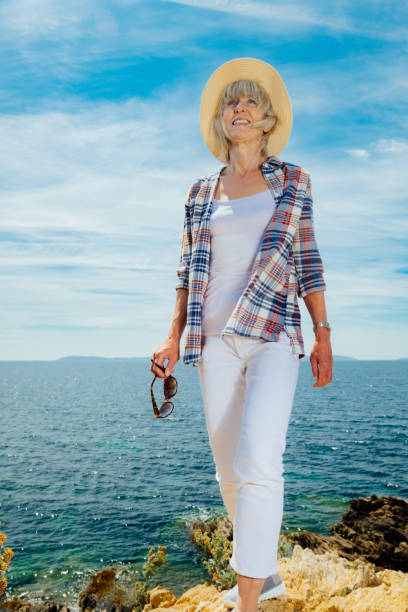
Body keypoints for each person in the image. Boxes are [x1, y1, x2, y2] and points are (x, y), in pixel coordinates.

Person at [151, 57, 333, 612]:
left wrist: (322, 333)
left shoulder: (293, 182)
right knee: (229, 466)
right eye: (231, 102)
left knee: (259, 459)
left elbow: (308, 260)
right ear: (222, 120)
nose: (239, 107)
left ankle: (248, 601)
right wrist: (171, 337)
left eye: (250, 100)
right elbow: (185, 272)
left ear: (268, 118)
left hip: (275, 330)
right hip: (211, 340)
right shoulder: (200, 192)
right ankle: (268, 573)